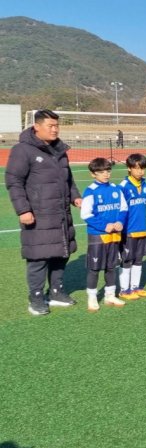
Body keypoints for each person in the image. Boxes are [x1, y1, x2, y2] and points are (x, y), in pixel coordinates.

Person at [5, 109, 81, 315]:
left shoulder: (60, 150)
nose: (55, 129)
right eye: (51, 126)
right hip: (38, 214)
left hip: (61, 213)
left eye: (57, 125)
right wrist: (23, 209)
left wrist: (76, 197)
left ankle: (56, 292)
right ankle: (36, 298)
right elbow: (14, 181)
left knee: (61, 254)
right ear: (36, 126)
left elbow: (69, 179)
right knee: (38, 257)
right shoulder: (23, 150)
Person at [81, 158, 127, 311]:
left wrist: (120, 221)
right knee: (94, 268)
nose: (106, 175)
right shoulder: (90, 191)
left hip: (114, 235)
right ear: (93, 174)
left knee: (111, 267)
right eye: (101, 172)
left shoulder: (115, 189)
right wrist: (104, 225)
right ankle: (92, 297)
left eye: (108, 171)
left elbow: (123, 208)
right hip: (97, 236)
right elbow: (86, 214)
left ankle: (110, 295)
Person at [117, 154, 146, 300]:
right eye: (137, 168)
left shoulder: (145, 185)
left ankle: (135, 287)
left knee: (138, 260)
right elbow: (119, 210)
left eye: (143, 168)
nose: (141, 172)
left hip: (141, 230)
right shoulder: (123, 187)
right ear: (129, 169)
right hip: (128, 231)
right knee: (127, 260)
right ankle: (124, 290)